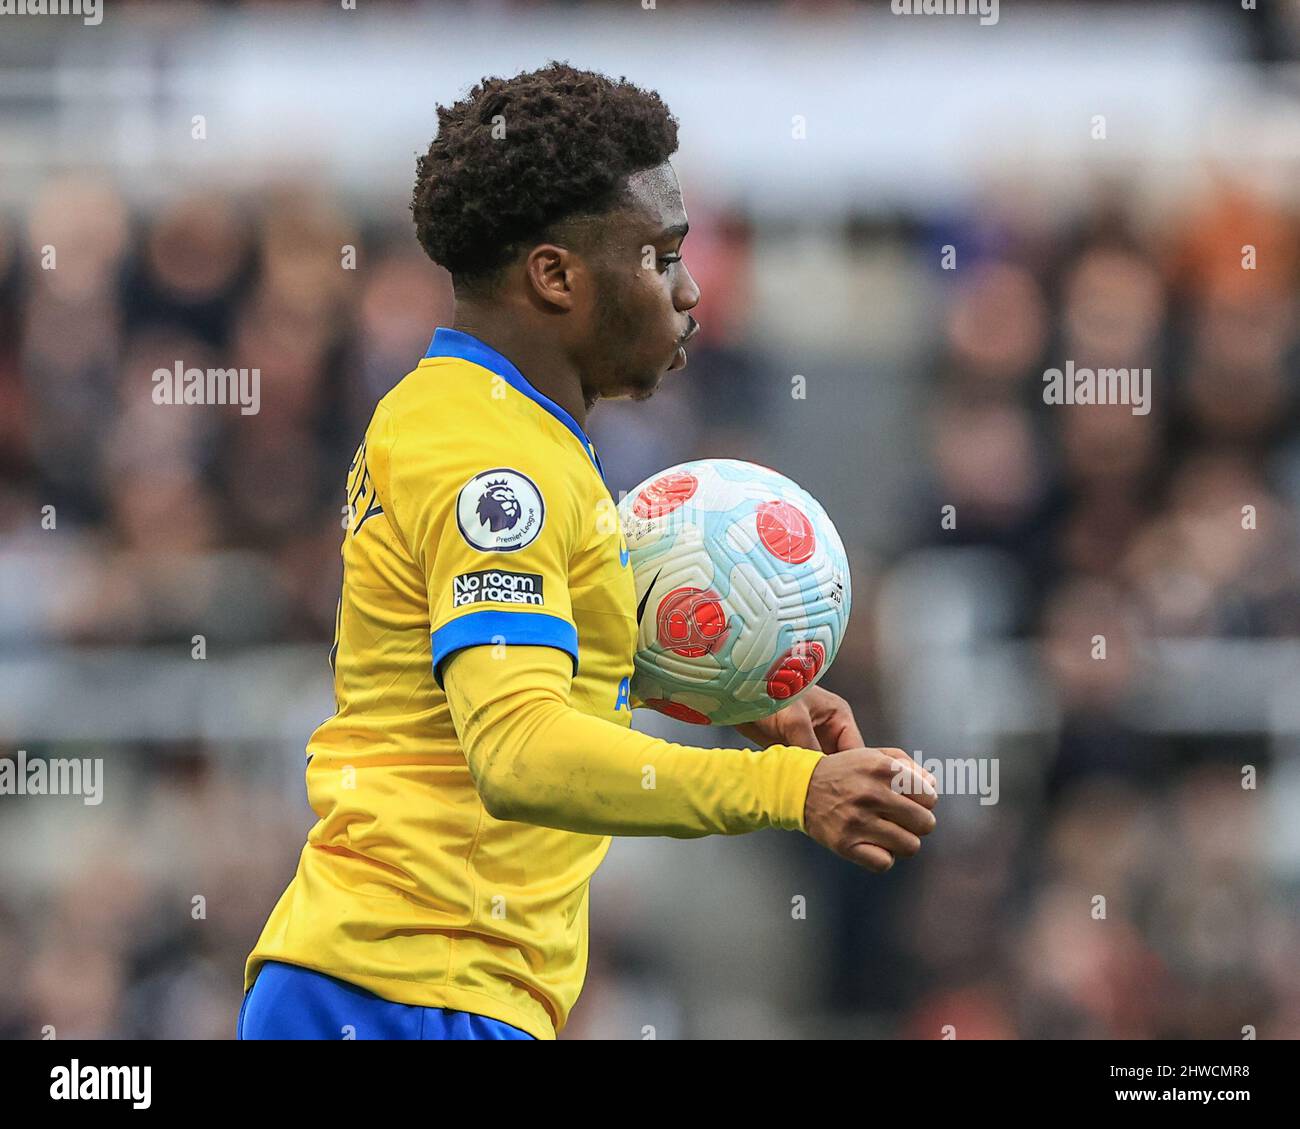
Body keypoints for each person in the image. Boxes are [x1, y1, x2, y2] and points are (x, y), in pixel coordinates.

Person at [240, 62, 937, 1041]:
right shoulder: (490, 457)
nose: (691, 291)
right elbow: (518, 750)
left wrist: (714, 688)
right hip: (396, 985)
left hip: (435, 982)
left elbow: (488, 688)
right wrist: (789, 790)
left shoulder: (508, 432)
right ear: (556, 276)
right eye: (659, 257)